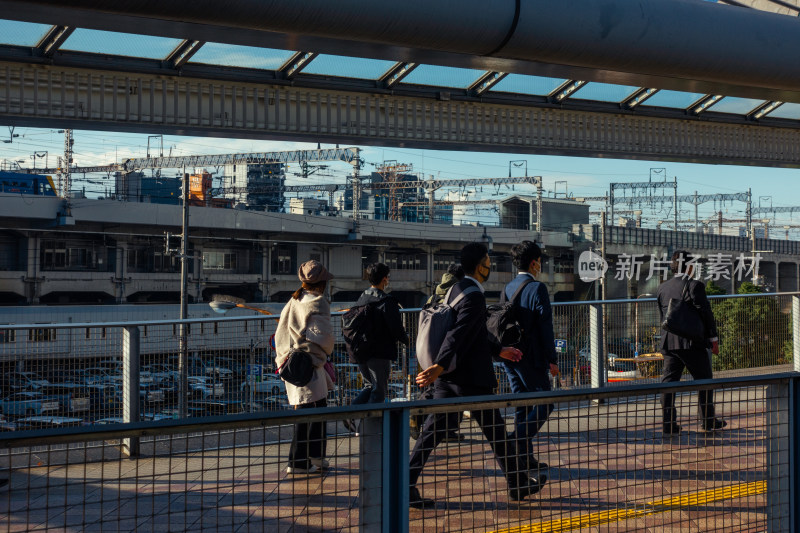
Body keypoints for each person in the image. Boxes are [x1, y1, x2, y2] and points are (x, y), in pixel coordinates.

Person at [408, 242, 547, 508]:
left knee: (433, 434)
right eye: (487, 260)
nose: (490, 265)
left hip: (451, 377)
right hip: (469, 378)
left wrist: (500, 350)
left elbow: (474, 333)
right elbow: (458, 334)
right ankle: (517, 484)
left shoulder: (457, 289)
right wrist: (439, 364)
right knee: (494, 430)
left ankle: (406, 483)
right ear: (480, 264)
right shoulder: (473, 295)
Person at [275, 260, 336, 474]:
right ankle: (300, 461)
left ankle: (313, 457)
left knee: (309, 408)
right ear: (322, 283)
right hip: (310, 364)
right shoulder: (318, 302)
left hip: (292, 363)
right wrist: (325, 352)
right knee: (311, 411)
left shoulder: (294, 299)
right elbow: (324, 337)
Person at [502, 240, 558, 472]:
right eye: (540, 261)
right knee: (546, 403)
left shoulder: (508, 287)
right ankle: (515, 441)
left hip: (510, 357)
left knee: (522, 406)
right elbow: (546, 327)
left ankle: (524, 458)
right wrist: (552, 359)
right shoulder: (537, 288)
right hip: (532, 358)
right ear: (534, 263)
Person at [657, 250, 726, 436]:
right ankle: (707, 421)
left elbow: (664, 317)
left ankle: (669, 424)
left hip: (669, 343)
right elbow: (706, 314)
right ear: (688, 267)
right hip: (692, 344)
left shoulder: (662, 287)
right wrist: (713, 339)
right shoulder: (695, 285)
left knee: (669, 384)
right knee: (704, 381)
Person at [343, 263, 409, 432]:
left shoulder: (362, 298)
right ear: (385, 278)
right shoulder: (386, 301)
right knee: (379, 390)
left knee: (368, 386)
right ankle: (372, 429)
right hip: (379, 352)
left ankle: (350, 413)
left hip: (360, 350)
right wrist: (407, 340)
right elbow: (396, 328)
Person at [410, 264, 466, 442]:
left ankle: (442, 428)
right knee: (451, 386)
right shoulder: (456, 295)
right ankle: (425, 419)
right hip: (447, 349)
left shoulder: (434, 296)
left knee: (436, 386)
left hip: (427, 347)